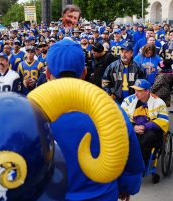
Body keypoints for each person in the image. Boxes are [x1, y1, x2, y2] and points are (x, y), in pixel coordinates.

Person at [46, 38, 144, 201]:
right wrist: (126, 186)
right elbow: (130, 161)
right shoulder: (109, 108)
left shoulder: (29, 110)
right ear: (84, 72)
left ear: (48, 73)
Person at [121, 79, 169, 167]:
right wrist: (133, 127)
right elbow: (122, 118)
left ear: (147, 91)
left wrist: (144, 127)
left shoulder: (159, 102)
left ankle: (141, 165)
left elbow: (163, 121)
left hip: (151, 130)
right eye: (135, 90)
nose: (136, 93)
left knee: (145, 139)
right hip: (133, 127)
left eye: (139, 90)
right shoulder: (128, 101)